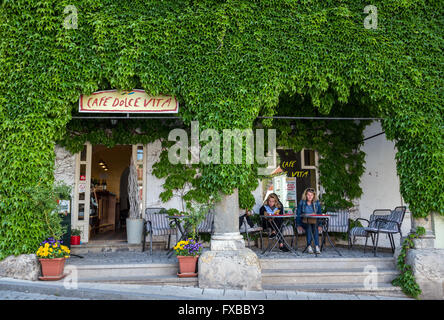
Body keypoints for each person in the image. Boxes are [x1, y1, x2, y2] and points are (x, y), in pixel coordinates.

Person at [296, 188, 323, 254]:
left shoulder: (316, 203)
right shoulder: (302, 202)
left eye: (311, 195)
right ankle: (309, 246)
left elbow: (320, 214)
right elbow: (298, 214)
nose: (310, 196)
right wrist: (298, 225)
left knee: (315, 227)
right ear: (305, 195)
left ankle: (316, 246)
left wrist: (320, 225)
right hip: (304, 222)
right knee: (309, 226)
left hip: (314, 222)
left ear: (314, 196)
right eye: (308, 195)